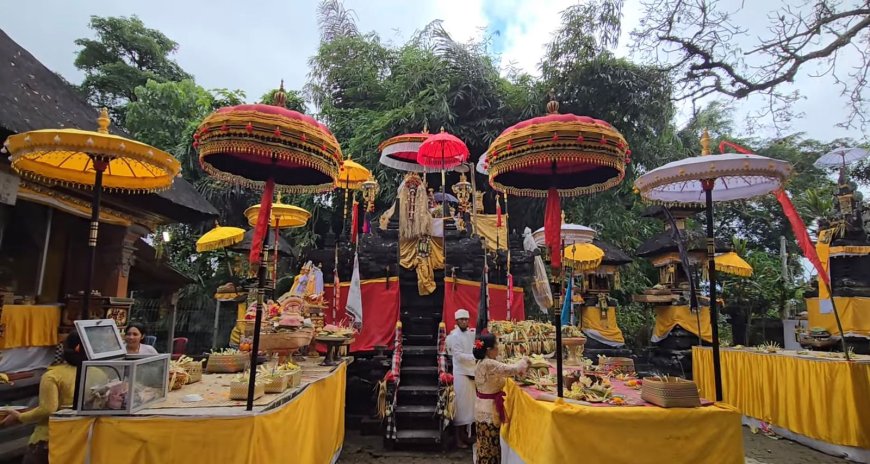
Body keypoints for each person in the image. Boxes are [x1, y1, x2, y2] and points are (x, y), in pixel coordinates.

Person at [2, 331, 85, 464]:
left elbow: (48, 409)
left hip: (50, 437)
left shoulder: (53, 375)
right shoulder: (98, 372)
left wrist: (20, 417)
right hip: (80, 436)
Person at [473, 333, 529, 464]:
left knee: (484, 444)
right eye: (496, 346)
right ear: (489, 350)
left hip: (481, 407)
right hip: (489, 411)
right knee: (491, 446)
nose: (498, 348)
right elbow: (513, 369)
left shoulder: (481, 362)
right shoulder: (489, 363)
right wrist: (525, 360)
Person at [445, 309, 476, 448]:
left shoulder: (471, 334)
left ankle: (465, 436)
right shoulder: (454, 336)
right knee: (460, 408)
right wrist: (475, 358)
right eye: (461, 319)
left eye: (466, 319)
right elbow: (458, 356)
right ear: (457, 321)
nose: (464, 322)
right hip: (461, 375)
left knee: (470, 408)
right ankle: (458, 439)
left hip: (471, 373)